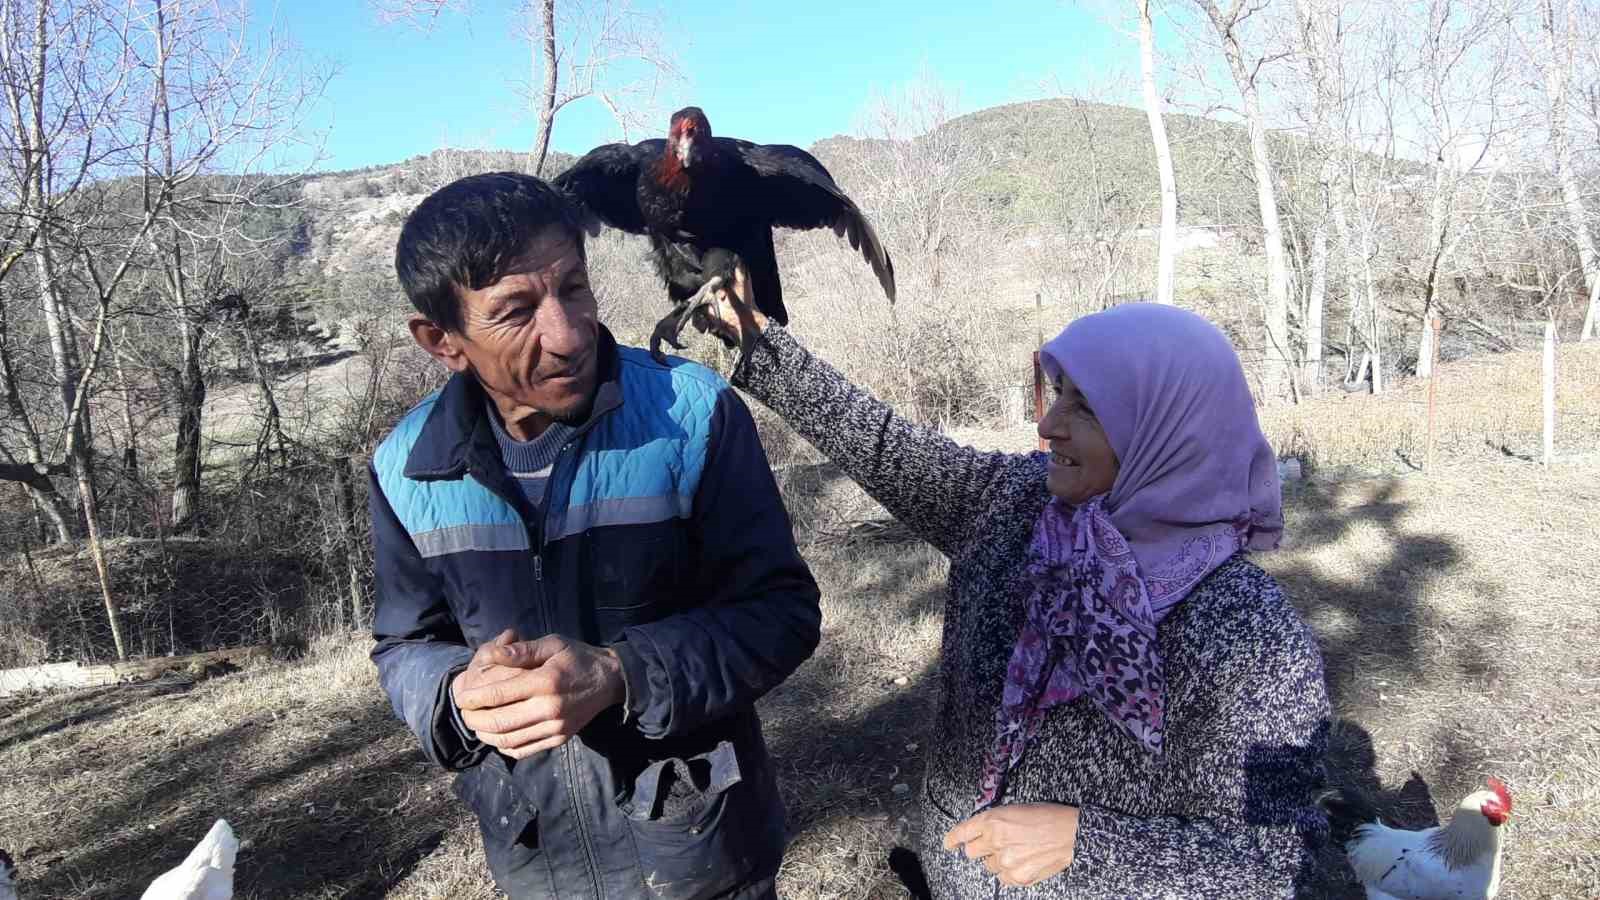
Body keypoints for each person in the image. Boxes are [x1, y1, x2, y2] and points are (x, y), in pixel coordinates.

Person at [693, 276, 1331, 898]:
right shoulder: (1011, 505)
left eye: (1085, 406)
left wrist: (1089, 846)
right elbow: (889, 450)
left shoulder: (1245, 629)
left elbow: (1275, 860)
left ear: (1165, 428)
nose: (1049, 424)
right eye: (1057, 392)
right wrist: (760, 343)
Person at [366, 172, 821, 900]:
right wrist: (455, 696)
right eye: (516, 312)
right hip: (538, 858)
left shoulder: (692, 413)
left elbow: (781, 613)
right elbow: (404, 644)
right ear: (441, 341)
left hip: (701, 851)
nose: (569, 334)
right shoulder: (406, 469)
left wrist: (620, 674)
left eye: (574, 288)